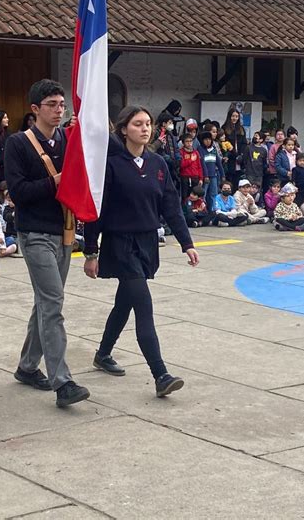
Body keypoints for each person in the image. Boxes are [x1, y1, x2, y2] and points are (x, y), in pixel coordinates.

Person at [84, 105, 199, 398]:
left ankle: (103, 353)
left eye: (148, 123)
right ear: (124, 130)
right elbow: (97, 211)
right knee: (143, 306)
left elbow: (171, 206)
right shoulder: (111, 165)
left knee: (125, 302)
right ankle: (160, 374)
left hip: (148, 243)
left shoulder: (158, 164)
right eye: (138, 124)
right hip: (120, 244)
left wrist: (187, 243)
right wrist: (90, 252)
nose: (145, 129)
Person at [4, 79, 90, 407]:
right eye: (51, 105)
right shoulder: (18, 144)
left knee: (45, 302)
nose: (58, 110)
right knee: (53, 304)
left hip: (65, 231)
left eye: (61, 105)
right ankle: (62, 381)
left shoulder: (69, 140)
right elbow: (19, 193)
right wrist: (55, 181)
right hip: (34, 233)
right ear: (35, 109)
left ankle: (27, 366)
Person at [148, 111, 181, 189]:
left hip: (172, 165)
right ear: (163, 124)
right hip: (161, 164)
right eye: (170, 122)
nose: (171, 124)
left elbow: (175, 148)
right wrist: (168, 159)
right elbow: (152, 149)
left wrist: (178, 159)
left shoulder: (170, 134)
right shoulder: (155, 133)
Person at [199, 131, 225, 213]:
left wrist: (222, 175)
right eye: (205, 139)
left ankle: (213, 211)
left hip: (213, 176)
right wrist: (205, 176)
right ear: (202, 140)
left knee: (214, 194)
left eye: (209, 139)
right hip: (205, 177)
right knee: (203, 194)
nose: (208, 141)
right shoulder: (200, 149)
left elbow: (218, 163)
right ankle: (203, 211)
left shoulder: (213, 149)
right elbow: (202, 163)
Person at [221, 108, 247, 186]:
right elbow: (224, 143)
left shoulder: (241, 128)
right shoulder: (225, 127)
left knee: (238, 181)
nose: (234, 118)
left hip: (239, 159)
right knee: (229, 180)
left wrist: (241, 155)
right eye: (233, 116)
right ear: (229, 117)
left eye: (236, 116)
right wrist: (233, 153)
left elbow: (244, 143)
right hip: (230, 157)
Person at [179, 133, 204, 202]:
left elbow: (199, 166)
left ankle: (194, 211)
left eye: (190, 141)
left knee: (196, 196)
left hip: (195, 177)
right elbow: (181, 165)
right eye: (187, 141)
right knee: (185, 196)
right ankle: (185, 210)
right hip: (185, 177)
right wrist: (190, 160)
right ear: (183, 142)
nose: (189, 143)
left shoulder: (196, 152)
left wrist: (201, 178)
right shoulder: (181, 152)